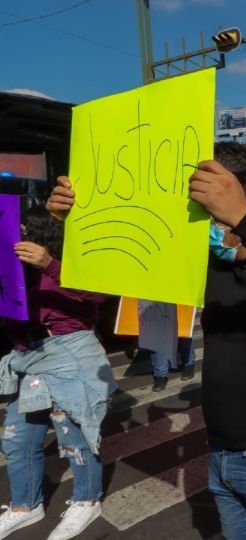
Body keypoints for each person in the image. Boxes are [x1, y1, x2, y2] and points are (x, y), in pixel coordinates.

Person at [49, 141, 246, 538]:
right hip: (222, 455)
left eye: (214, 219)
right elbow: (118, 263)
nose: (205, 228)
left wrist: (243, 214)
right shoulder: (209, 270)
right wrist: (74, 220)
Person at [0, 207, 116, 540]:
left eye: (22, 228)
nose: (15, 235)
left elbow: (98, 293)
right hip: (29, 359)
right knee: (17, 438)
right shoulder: (13, 266)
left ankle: (87, 500)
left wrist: (49, 264)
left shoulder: (69, 261)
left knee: (74, 437)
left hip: (70, 355)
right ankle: (25, 505)